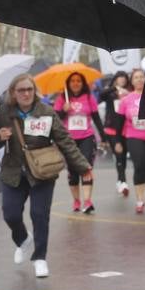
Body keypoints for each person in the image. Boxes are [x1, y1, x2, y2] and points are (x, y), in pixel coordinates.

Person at [0, 73, 93, 276]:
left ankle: (40, 257)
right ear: (13, 92)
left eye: (29, 89)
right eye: (21, 90)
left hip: (42, 171)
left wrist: (83, 167)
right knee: (10, 214)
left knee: (39, 215)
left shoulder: (46, 111)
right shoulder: (5, 112)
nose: (26, 93)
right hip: (13, 172)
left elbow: (64, 140)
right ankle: (22, 239)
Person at [52, 70, 103, 213]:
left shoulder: (89, 97)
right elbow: (55, 120)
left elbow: (96, 118)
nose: (75, 83)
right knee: (73, 171)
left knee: (86, 167)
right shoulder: (62, 98)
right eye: (72, 81)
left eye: (78, 81)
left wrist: (105, 138)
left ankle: (87, 201)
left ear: (83, 83)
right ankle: (76, 200)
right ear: (68, 83)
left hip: (87, 137)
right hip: (68, 140)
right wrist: (63, 111)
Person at [117, 67, 145, 214]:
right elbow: (118, 123)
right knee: (140, 166)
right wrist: (118, 142)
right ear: (131, 81)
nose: (139, 80)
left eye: (142, 77)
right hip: (133, 137)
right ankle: (139, 200)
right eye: (136, 77)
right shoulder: (126, 100)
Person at [99, 70, 131, 197]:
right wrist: (114, 88)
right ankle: (123, 182)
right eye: (119, 78)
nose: (122, 80)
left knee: (123, 156)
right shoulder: (110, 92)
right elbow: (101, 95)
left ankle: (119, 180)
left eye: (124, 78)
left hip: (126, 128)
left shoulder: (130, 92)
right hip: (111, 128)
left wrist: (127, 93)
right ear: (116, 80)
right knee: (118, 154)